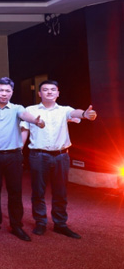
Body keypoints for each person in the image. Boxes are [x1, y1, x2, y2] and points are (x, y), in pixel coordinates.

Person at [21, 80, 97, 239]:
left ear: (58, 93)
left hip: (61, 156)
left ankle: (60, 224)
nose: (49, 92)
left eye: (53, 89)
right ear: (39, 93)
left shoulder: (64, 110)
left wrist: (85, 114)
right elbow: (24, 130)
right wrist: (19, 149)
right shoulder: (30, 110)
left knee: (60, 192)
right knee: (38, 192)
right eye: (45, 89)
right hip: (38, 155)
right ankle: (40, 222)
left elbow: (76, 113)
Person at [0, 77, 45, 242]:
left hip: (13, 156)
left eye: (7, 91)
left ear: (12, 92)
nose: (4, 93)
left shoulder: (17, 108)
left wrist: (35, 120)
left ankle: (16, 225)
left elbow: (25, 116)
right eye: (1, 90)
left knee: (15, 192)